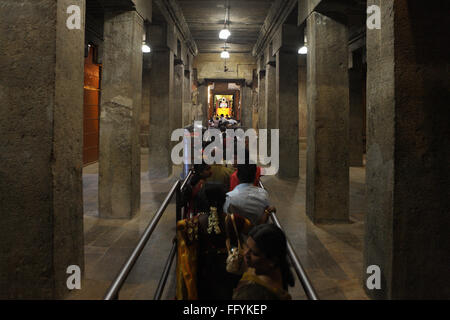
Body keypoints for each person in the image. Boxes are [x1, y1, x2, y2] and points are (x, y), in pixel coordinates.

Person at [176, 184, 253, 300]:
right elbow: (250, 228)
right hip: (231, 271)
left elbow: (185, 247)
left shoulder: (190, 224)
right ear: (223, 201)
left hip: (204, 274)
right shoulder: (235, 219)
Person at [232, 224, 294, 300]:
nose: (245, 253)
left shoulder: (258, 293)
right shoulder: (260, 269)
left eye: (254, 253)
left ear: (272, 261)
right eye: (247, 246)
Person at [223, 160, 269, 226]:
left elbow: (227, 220)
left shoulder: (229, 198)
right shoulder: (264, 194)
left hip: (238, 234)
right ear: (254, 176)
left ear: (238, 175)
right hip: (257, 233)